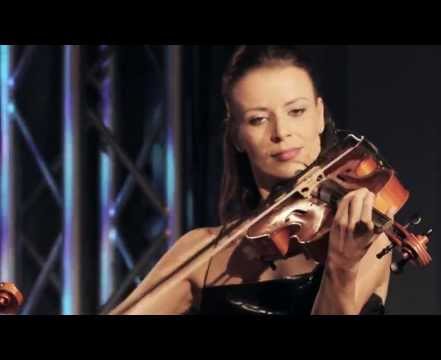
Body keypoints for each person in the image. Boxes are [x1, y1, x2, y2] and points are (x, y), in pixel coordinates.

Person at [109, 45, 392, 315]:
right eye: (258, 119)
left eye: (296, 111)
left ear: (319, 116)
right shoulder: (202, 253)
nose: (281, 131)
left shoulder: (366, 237)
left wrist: (342, 265)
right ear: (236, 135)